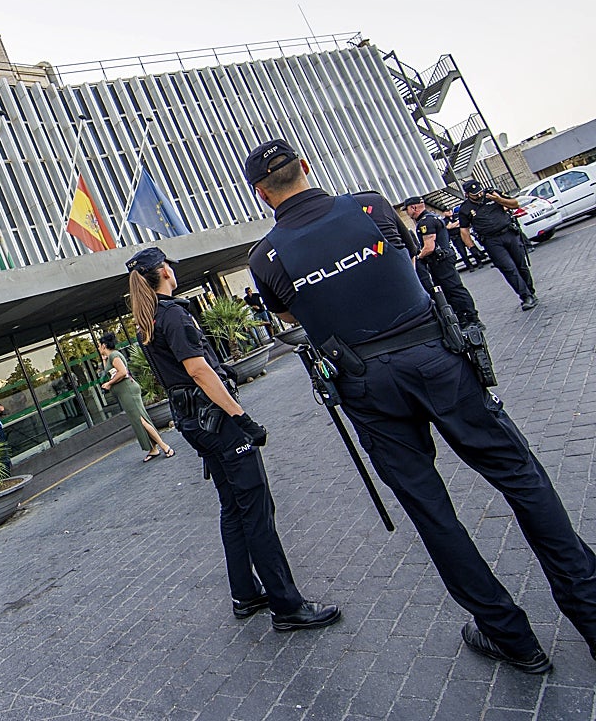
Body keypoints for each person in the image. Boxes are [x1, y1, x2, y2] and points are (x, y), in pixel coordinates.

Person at [244, 137, 596, 674]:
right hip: (435, 357)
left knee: (432, 511)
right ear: (306, 168)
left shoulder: (265, 257)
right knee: (518, 474)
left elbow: (292, 316)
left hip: (366, 383)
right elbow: (405, 261)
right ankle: (591, 611)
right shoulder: (370, 206)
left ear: (262, 195)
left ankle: (511, 636)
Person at [125, 246, 340, 632]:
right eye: (169, 265)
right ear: (163, 272)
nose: (173, 269)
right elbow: (199, 372)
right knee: (256, 507)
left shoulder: (149, 319)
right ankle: (287, 605)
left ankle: (245, 592)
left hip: (193, 423)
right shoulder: (173, 314)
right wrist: (242, 418)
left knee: (233, 507)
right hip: (217, 422)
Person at [457, 179, 537, 310]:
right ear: (467, 194)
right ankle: (525, 296)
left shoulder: (494, 195)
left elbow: (515, 204)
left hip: (508, 234)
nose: (479, 195)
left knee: (521, 265)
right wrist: (472, 248)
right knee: (509, 268)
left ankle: (530, 291)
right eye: (474, 194)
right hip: (491, 241)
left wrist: (498, 199)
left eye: (480, 192)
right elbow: (464, 230)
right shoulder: (465, 209)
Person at [401, 196, 480, 325]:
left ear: (413, 207)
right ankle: (464, 318)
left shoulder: (425, 222)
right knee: (450, 291)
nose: (408, 213)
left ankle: (472, 318)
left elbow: (429, 247)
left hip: (441, 261)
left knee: (454, 289)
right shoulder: (433, 217)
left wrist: (419, 258)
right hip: (443, 259)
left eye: (407, 210)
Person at [97, 332, 175, 462]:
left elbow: (123, 372)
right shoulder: (110, 357)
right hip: (125, 393)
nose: (98, 348)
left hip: (128, 392)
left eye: (99, 346)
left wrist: (109, 384)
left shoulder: (115, 356)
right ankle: (153, 449)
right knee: (138, 421)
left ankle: (164, 446)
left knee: (141, 420)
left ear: (104, 345)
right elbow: (108, 372)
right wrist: (103, 358)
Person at [446, 205, 486, 270]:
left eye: (450, 210)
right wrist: (458, 223)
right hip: (456, 238)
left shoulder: (457, 216)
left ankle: (479, 262)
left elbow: (464, 223)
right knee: (463, 253)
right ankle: (470, 266)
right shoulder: (445, 220)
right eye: (447, 211)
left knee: (472, 248)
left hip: (464, 234)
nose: (449, 212)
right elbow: (449, 227)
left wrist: (455, 224)